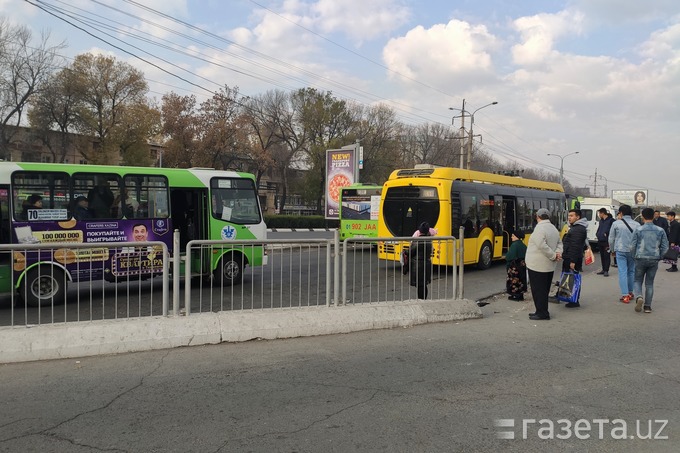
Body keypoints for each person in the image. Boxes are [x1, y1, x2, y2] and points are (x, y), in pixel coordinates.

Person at [525, 208, 563, 321]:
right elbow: (560, 243)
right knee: (544, 290)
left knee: (538, 290)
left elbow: (541, 245)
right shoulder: (553, 228)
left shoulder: (539, 228)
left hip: (537, 265)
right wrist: (557, 253)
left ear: (538, 217)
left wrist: (553, 255)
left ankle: (542, 313)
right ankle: (540, 310)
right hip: (549, 266)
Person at [630, 207, 669, 314]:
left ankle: (638, 296)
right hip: (654, 259)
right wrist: (660, 256)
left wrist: (634, 256)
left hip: (640, 258)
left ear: (642, 216)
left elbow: (632, 246)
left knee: (637, 280)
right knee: (649, 283)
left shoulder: (638, 229)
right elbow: (665, 247)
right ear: (653, 216)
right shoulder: (660, 230)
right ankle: (647, 307)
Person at [608, 204, 639, 303]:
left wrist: (612, 250)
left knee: (622, 272)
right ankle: (630, 292)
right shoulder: (637, 225)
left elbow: (611, 238)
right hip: (633, 251)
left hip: (620, 250)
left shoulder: (616, 224)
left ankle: (625, 295)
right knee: (631, 271)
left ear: (621, 213)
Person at [561, 209, 588, 308]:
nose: (569, 217)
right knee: (570, 278)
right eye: (569, 215)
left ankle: (574, 300)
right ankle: (569, 298)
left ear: (578, 217)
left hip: (572, 258)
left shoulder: (578, 229)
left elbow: (576, 246)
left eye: (572, 216)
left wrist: (572, 261)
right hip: (571, 257)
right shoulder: (576, 228)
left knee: (572, 279)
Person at [409, 222, 433, 299]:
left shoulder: (418, 241)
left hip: (418, 266)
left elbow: (410, 251)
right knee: (424, 284)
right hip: (427, 264)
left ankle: (421, 300)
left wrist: (404, 252)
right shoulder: (429, 241)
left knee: (420, 285)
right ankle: (424, 299)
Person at [506, 231, 527, 301]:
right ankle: (521, 295)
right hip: (522, 265)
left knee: (514, 281)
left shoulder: (514, 245)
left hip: (515, 266)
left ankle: (515, 296)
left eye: (513, 236)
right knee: (521, 280)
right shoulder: (523, 245)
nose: (511, 237)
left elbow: (509, 257)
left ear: (516, 237)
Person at [595, 208, 614, 276]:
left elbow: (613, 230)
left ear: (603, 213)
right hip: (600, 240)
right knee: (602, 256)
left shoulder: (611, 220)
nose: (599, 215)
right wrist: (597, 234)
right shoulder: (601, 221)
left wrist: (607, 233)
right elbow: (599, 228)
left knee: (606, 256)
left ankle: (606, 270)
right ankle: (603, 269)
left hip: (607, 241)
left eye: (599, 213)